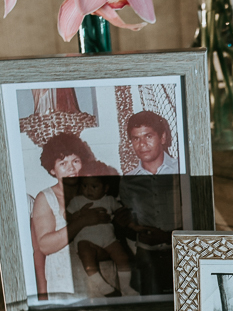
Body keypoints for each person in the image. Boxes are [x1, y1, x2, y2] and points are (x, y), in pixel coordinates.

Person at [31, 133, 112, 297]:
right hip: (64, 281)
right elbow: (45, 246)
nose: (71, 168)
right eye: (63, 163)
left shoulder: (96, 191)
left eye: (76, 161)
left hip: (101, 276)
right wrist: (82, 222)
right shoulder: (46, 198)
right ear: (52, 169)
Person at [117, 111, 181, 296]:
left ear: (162, 137)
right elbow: (129, 227)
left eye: (148, 136)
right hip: (147, 257)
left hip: (180, 251)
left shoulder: (182, 170)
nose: (142, 144)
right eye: (135, 139)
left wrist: (165, 236)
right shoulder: (128, 180)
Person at [67, 176, 137, 297]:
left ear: (105, 188)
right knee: (86, 255)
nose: (88, 190)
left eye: (94, 186)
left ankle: (125, 287)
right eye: (84, 186)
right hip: (86, 240)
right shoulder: (77, 201)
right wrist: (79, 214)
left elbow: (122, 214)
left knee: (123, 258)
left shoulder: (110, 200)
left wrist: (134, 225)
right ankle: (102, 286)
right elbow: (67, 217)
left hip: (109, 240)